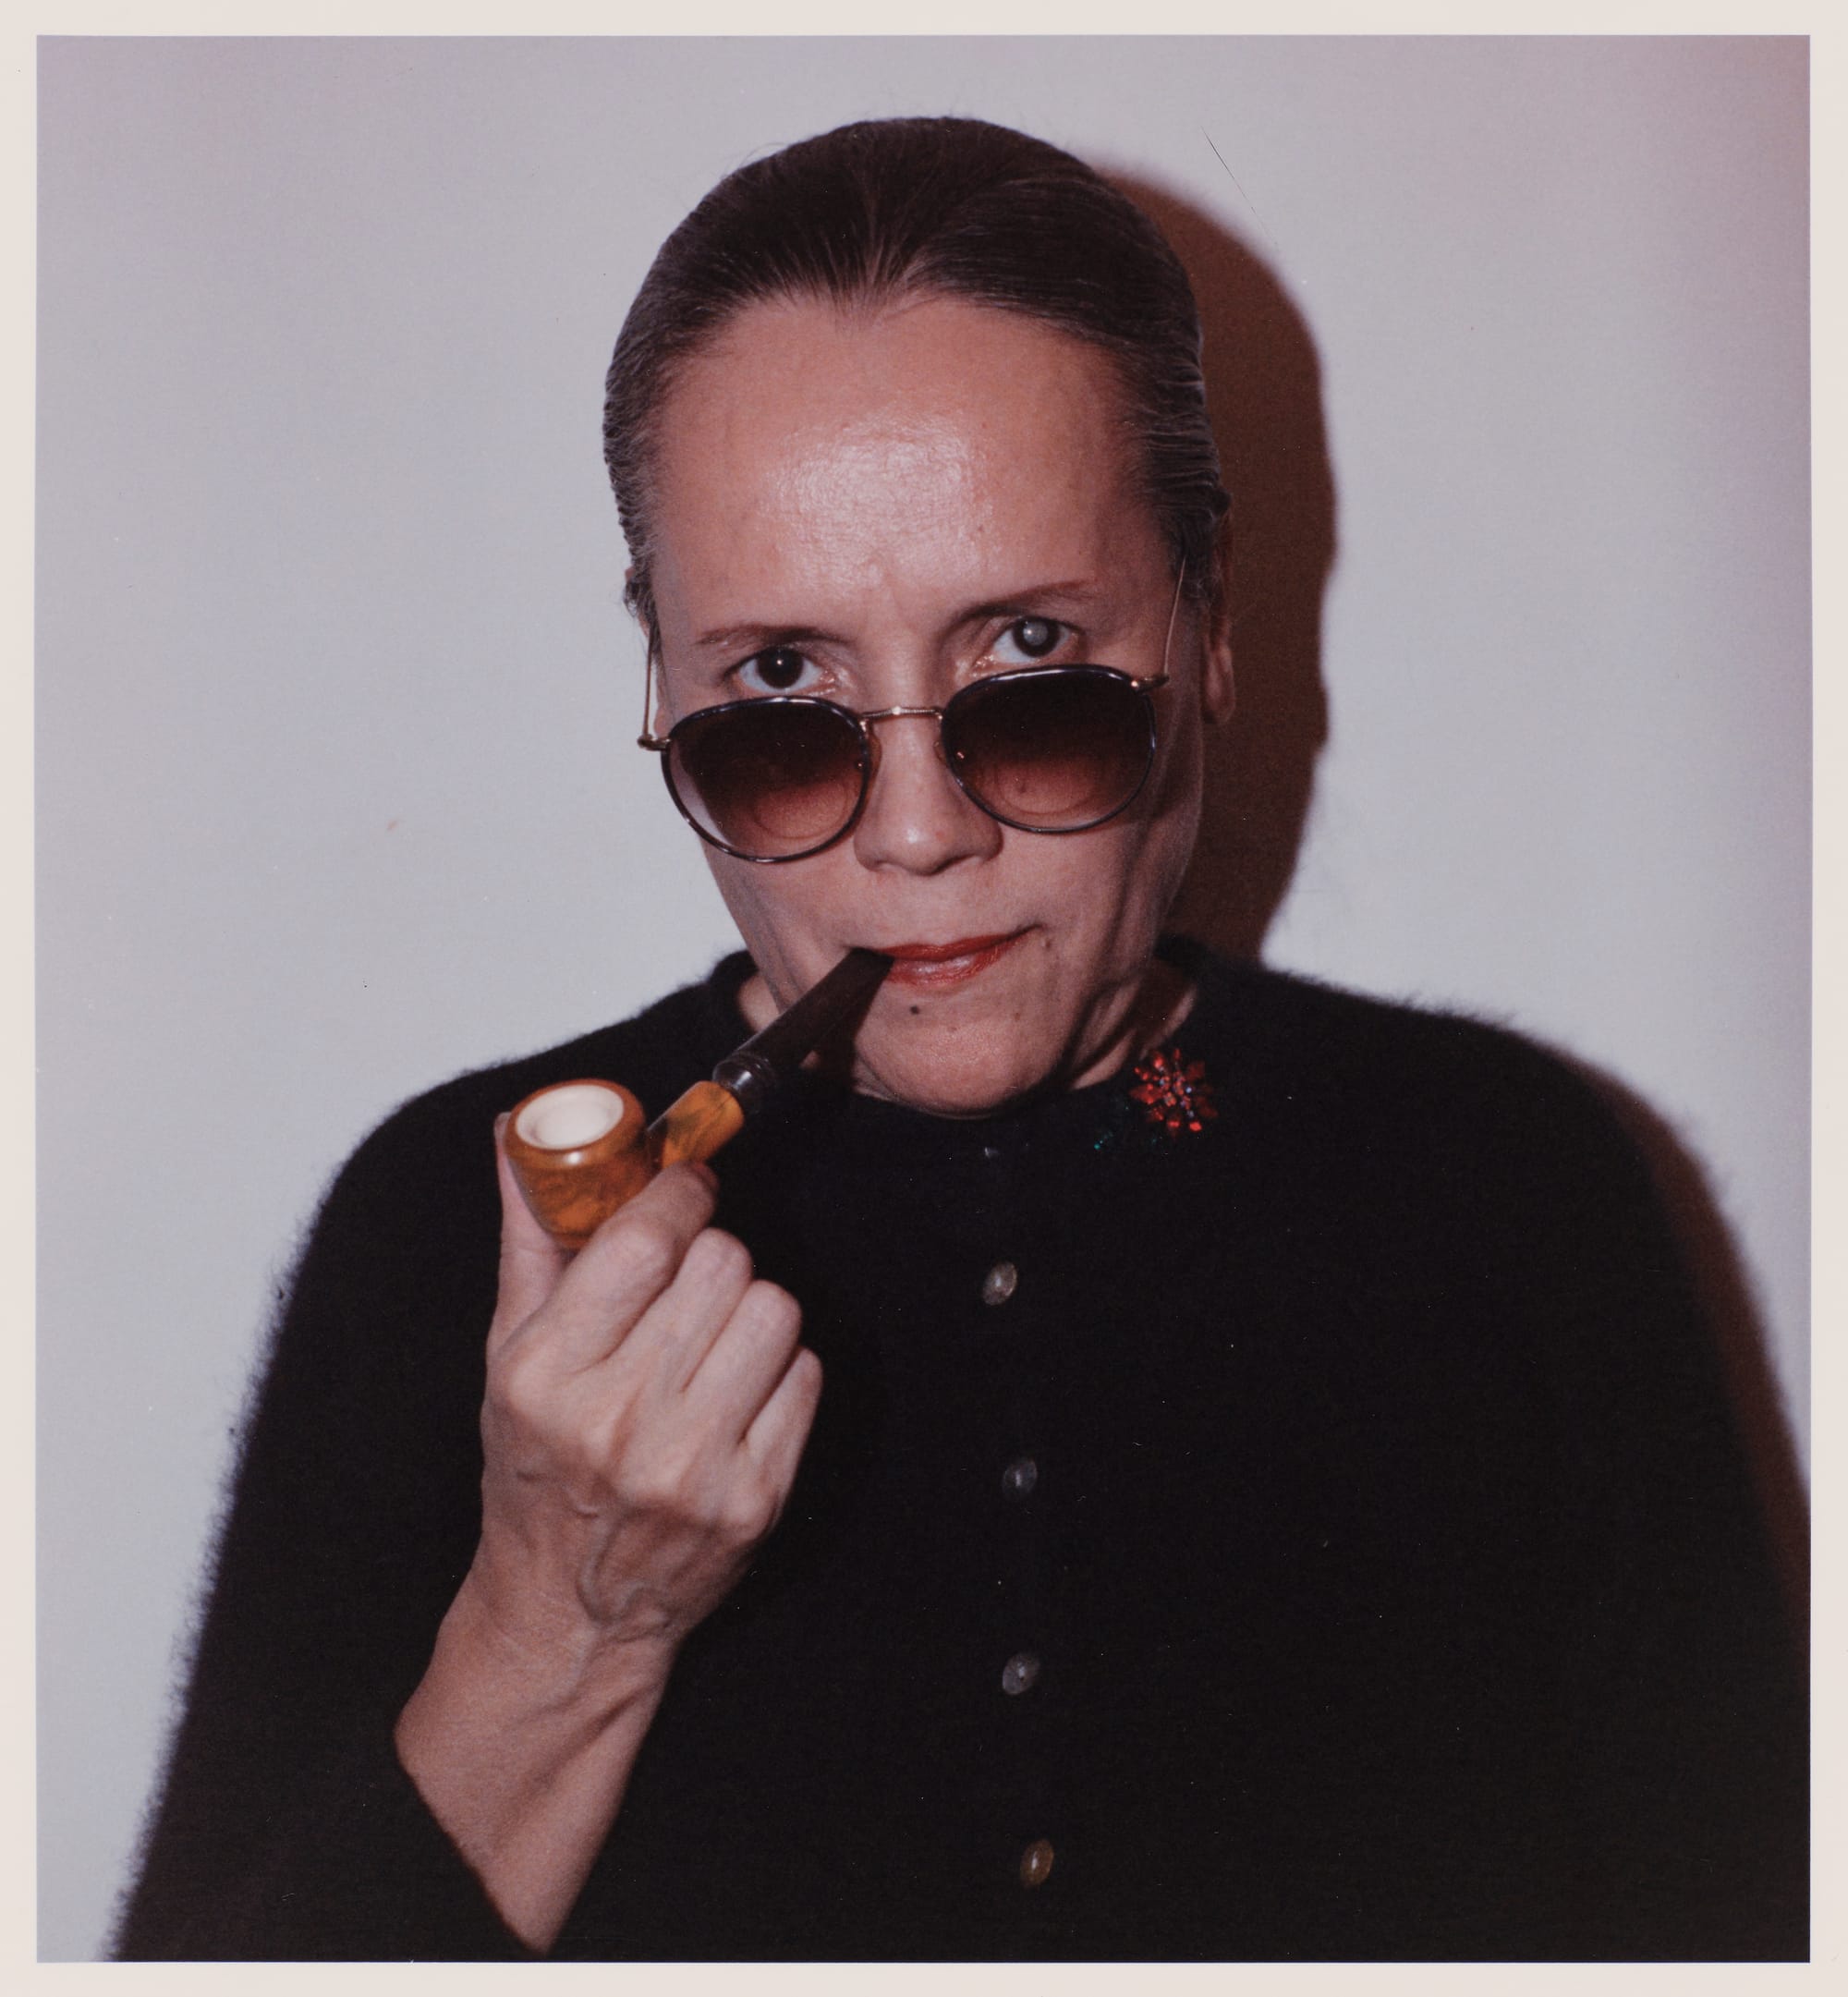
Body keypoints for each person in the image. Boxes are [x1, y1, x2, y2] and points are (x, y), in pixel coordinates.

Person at [114, 116, 1805, 1963]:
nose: (916, 835)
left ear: (1212, 625)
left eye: (1030, 661)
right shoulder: (460, 1229)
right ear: (658, 681)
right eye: (780, 687)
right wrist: (561, 1627)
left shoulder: (1514, 1190)